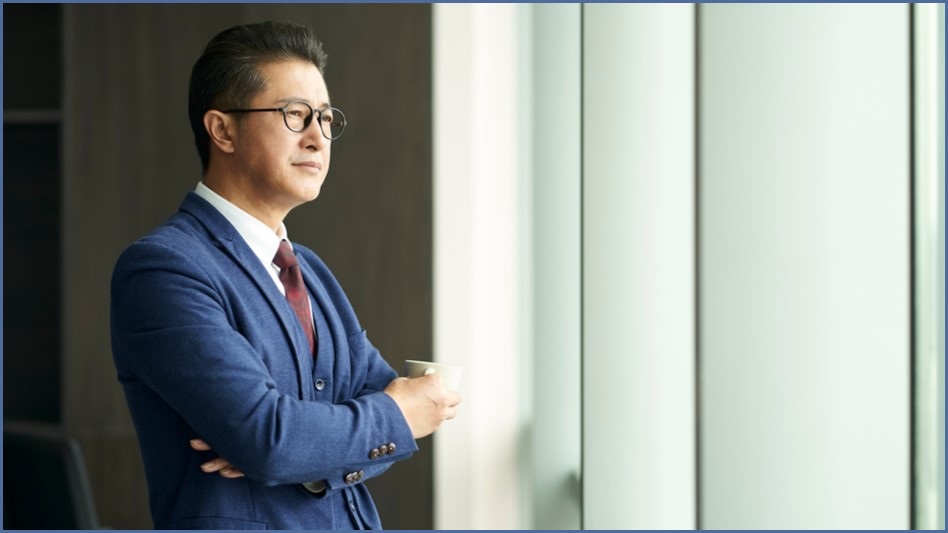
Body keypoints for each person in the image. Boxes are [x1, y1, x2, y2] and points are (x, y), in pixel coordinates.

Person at [110, 20, 460, 530]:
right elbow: (271, 440)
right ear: (222, 130)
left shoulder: (308, 269)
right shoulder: (164, 268)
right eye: (295, 114)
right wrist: (392, 416)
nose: (318, 138)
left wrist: (304, 458)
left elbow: (293, 440)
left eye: (326, 117)